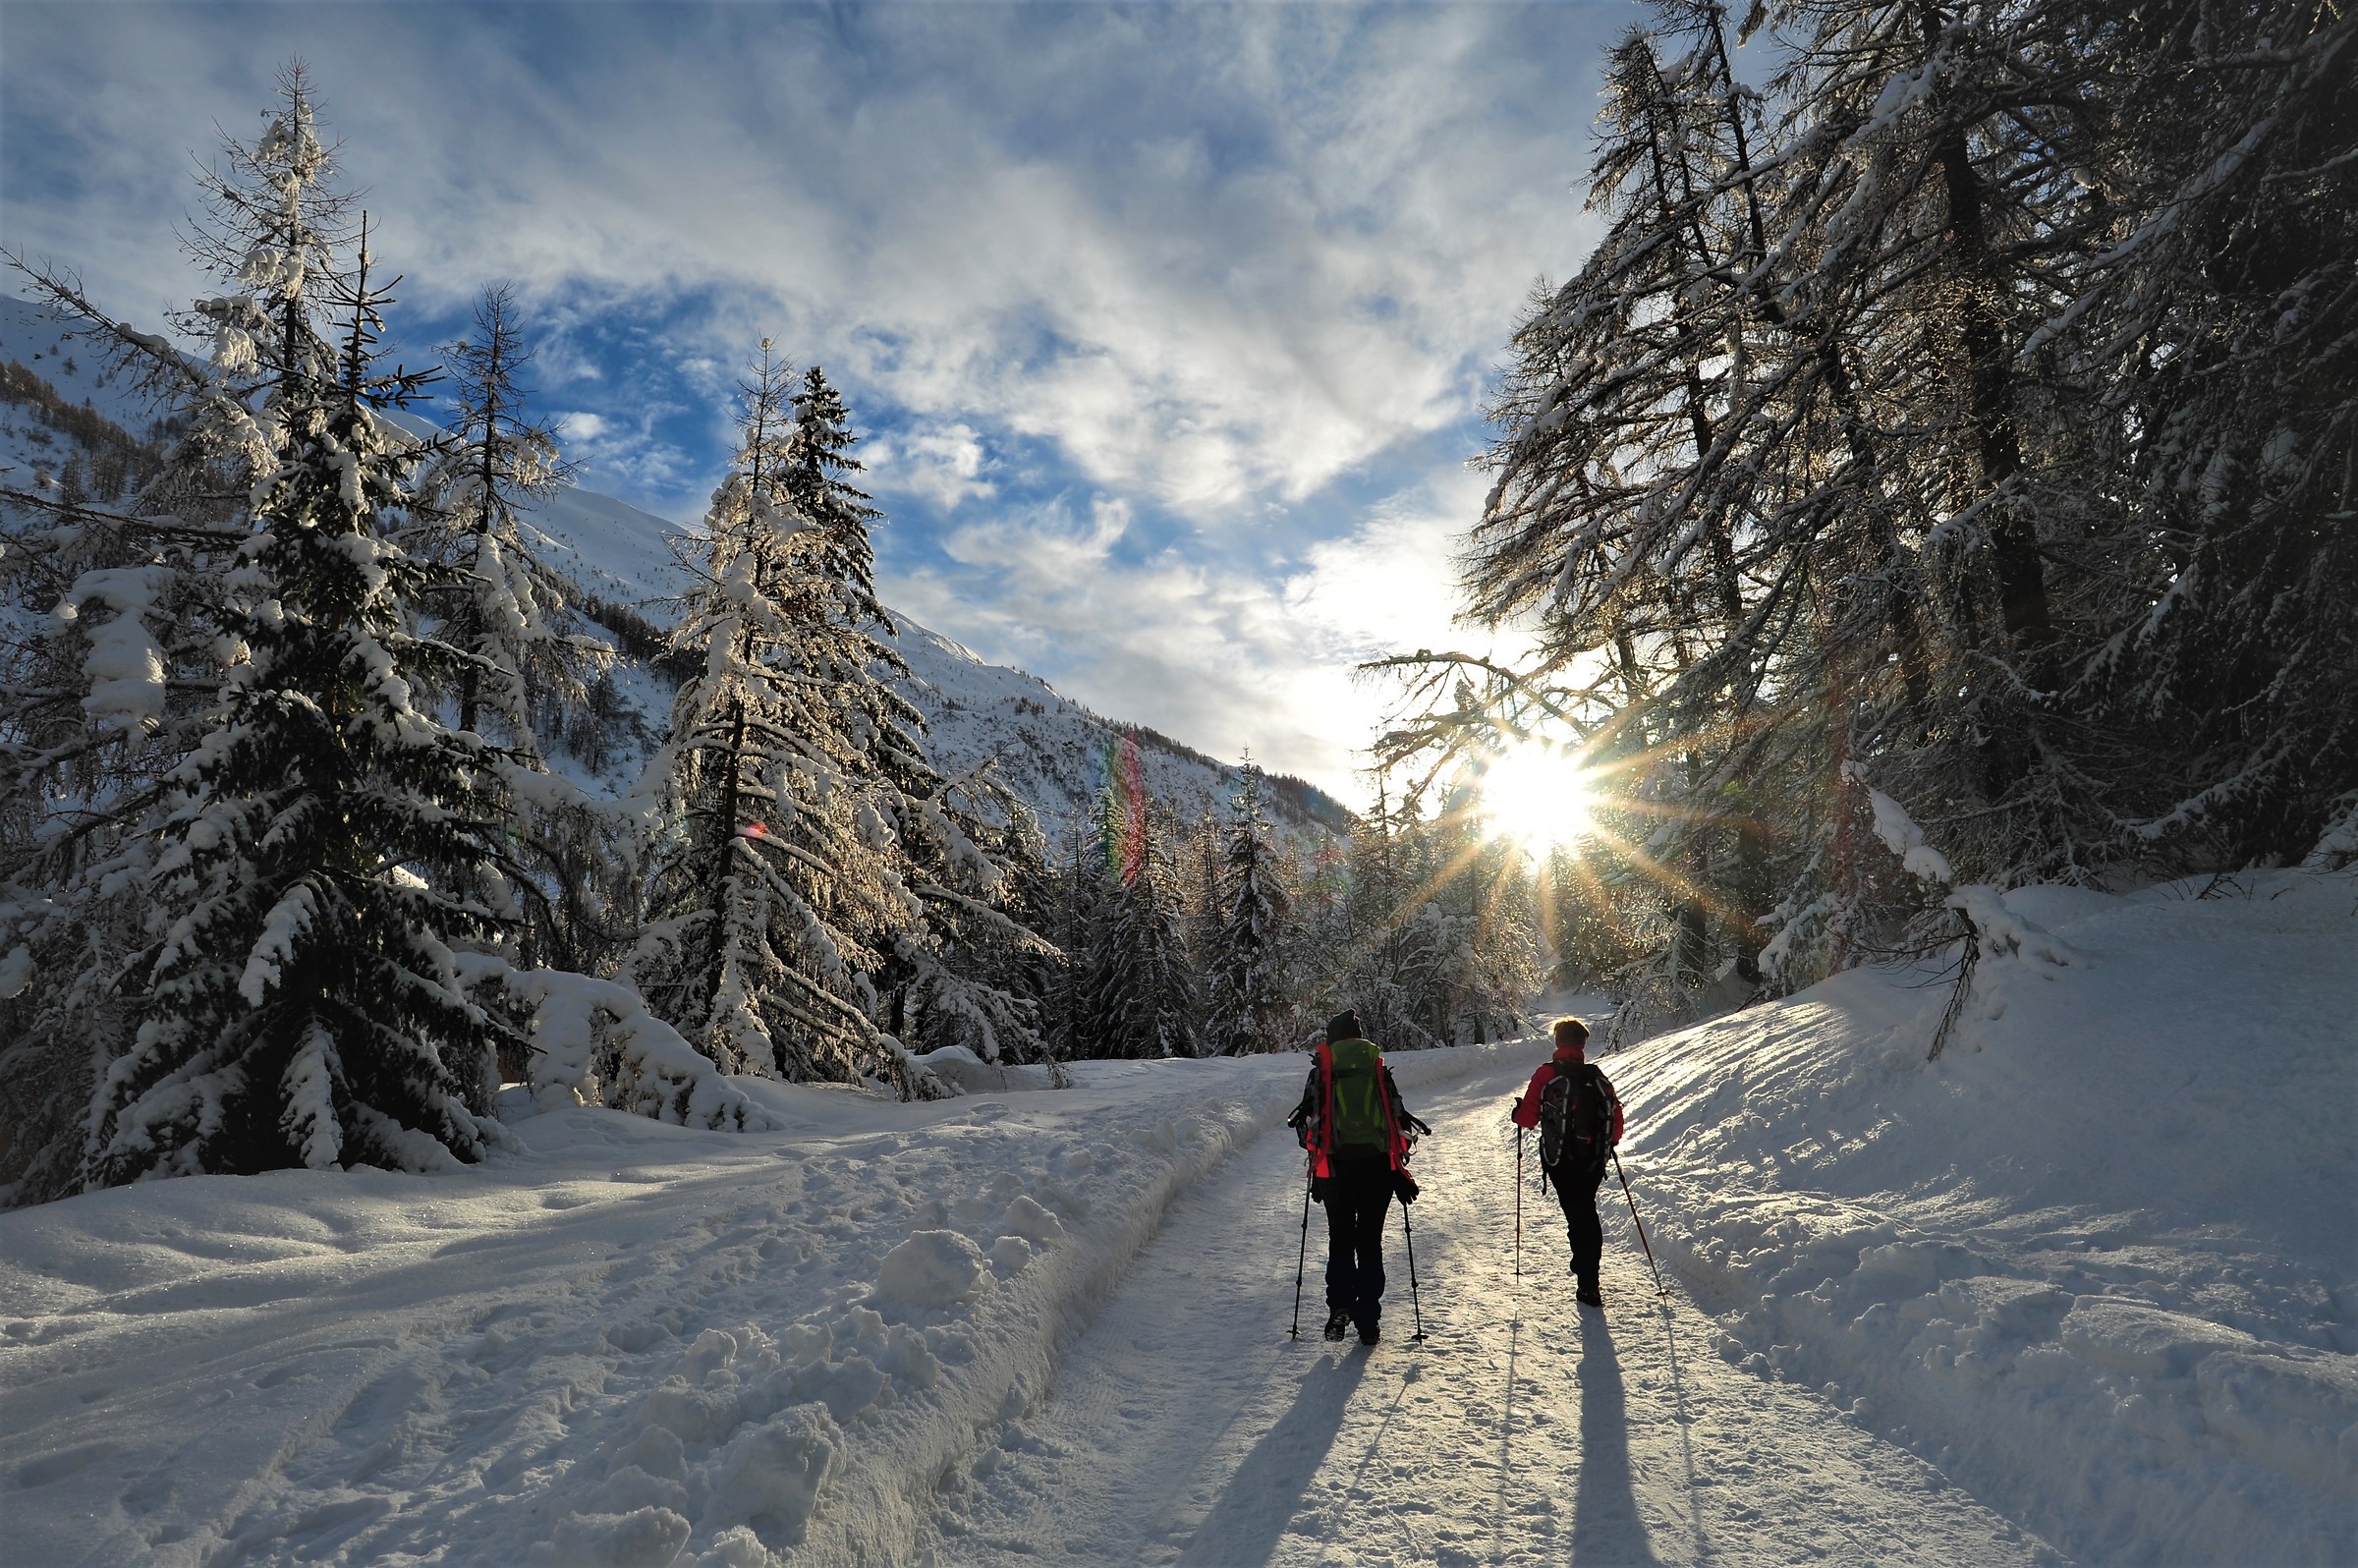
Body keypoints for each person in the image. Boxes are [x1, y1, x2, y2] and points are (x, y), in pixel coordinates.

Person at [1288, 1009, 1430, 1345]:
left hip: (1334, 1170)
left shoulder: (1322, 1071)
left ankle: (1339, 1306)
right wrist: (1398, 1169)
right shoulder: (1376, 1068)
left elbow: (1306, 1126)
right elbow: (1398, 1120)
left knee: (1340, 1240)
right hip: (1377, 1169)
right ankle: (1368, 1320)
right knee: (1369, 1243)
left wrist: (1317, 1170)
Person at [1510, 1016, 1624, 1307]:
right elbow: (1616, 1120)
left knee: (1578, 1215)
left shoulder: (1546, 1074)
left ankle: (1587, 1280)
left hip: (1560, 1160)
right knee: (1585, 1211)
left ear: (1558, 1042)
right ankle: (1587, 1272)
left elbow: (1528, 1119)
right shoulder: (1596, 1075)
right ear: (1582, 1044)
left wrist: (1517, 1112)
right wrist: (1604, 1145)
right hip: (1593, 1160)